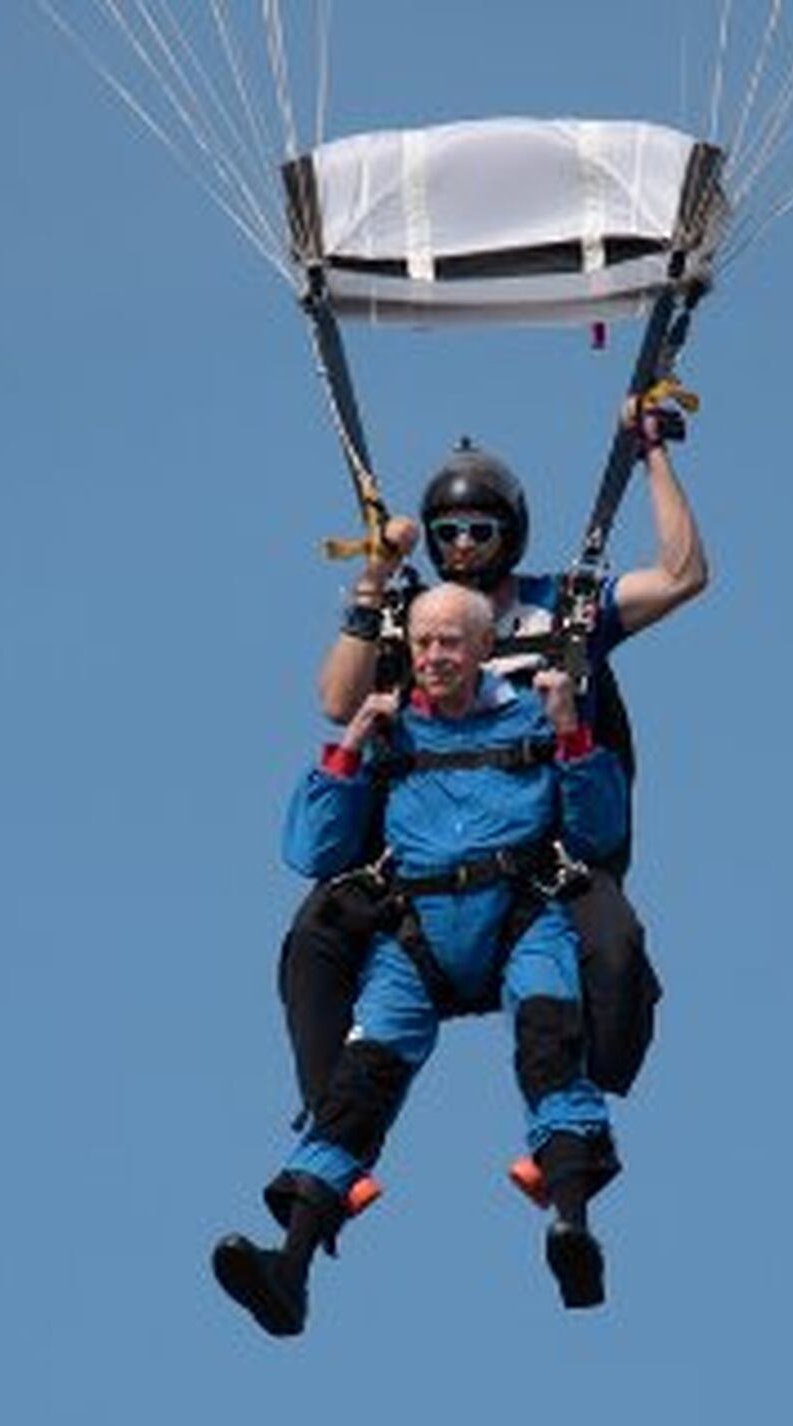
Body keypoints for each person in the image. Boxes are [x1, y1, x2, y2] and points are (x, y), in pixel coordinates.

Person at [213, 585, 629, 1337]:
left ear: (480, 649)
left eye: (450, 643)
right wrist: (349, 748)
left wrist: (570, 733)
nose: (435, 656)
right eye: (424, 642)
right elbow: (310, 851)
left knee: (550, 1042)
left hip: (517, 915)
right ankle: (291, 1268)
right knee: (358, 1082)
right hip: (417, 933)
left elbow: (599, 834)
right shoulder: (391, 727)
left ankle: (573, 1227)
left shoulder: (536, 714)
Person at [279, 398, 709, 1119]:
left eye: (481, 529)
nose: (463, 545)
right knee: (313, 938)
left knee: (617, 943)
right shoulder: (414, 622)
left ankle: (587, 1093)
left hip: (542, 848)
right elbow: (334, 699)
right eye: (447, 533)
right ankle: (327, 1119)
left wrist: (653, 456)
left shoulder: (559, 610)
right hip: (424, 857)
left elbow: (682, 575)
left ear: (509, 533)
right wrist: (373, 583)